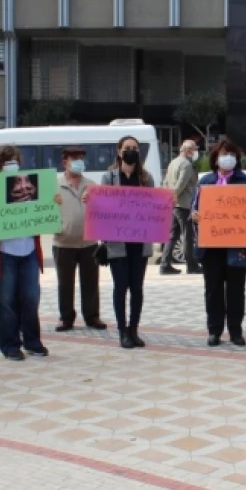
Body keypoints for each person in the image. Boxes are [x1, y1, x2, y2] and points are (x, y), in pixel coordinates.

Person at [0, 146, 49, 361]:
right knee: (5, 301)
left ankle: (33, 341)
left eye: (15, 160)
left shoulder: (30, 184)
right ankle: (10, 345)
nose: (13, 164)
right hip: (3, 254)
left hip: (28, 251)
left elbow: (45, 212)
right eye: (8, 161)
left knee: (31, 298)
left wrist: (53, 204)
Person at [89, 136, 156, 349]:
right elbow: (103, 208)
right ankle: (122, 331)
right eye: (127, 148)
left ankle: (134, 330)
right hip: (118, 242)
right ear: (119, 152)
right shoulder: (108, 177)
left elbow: (153, 207)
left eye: (135, 148)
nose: (131, 151)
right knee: (121, 287)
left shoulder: (146, 178)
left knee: (137, 288)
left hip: (140, 242)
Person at [192, 139, 246, 347]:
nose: (227, 158)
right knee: (213, 291)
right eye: (223, 154)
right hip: (211, 247)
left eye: (231, 154)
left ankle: (236, 331)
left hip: (237, 246)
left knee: (236, 290)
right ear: (216, 158)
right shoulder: (206, 182)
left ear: (237, 158)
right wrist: (195, 216)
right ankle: (214, 331)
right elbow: (195, 209)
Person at [53, 147, 106, 332]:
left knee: (91, 282)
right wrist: (51, 201)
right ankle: (66, 318)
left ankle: (92, 316)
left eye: (81, 158)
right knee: (65, 283)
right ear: (64, 162)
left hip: (89, 242)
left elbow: (103, 211)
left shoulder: (91, 185)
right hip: (63, 242)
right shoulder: (54, 185)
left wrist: (95, 200)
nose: (79, 161)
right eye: (74, 158)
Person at [160, 140, 201, 275]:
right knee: (187, 235)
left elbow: (166, 181)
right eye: (195, 149)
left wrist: (168, 197)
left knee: (172, 235)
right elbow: (181, 184)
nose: (196, 152)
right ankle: (191, 265)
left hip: (174, 205)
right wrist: (173, 195)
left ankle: (165, 264)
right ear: (188, 151)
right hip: (184, 204)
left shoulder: (173, 162)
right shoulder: (186, 165)